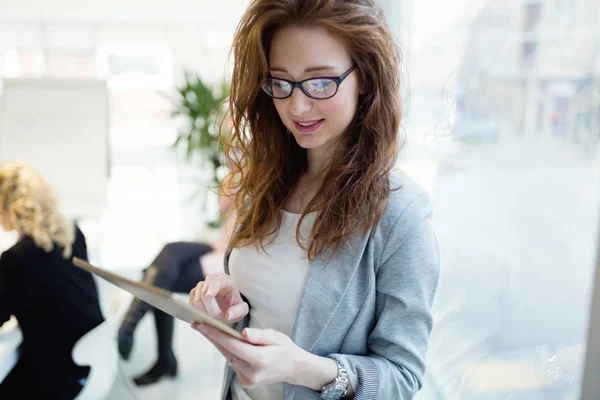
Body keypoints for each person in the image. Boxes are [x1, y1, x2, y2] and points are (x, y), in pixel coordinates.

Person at [188, 1, 440, 399]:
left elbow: (402, 378)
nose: (296, 106)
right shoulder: (266, 181)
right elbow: (266, 320)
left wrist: (305, 369)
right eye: (281, 83)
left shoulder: (400, 212)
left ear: (366, 78)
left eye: (320, 82)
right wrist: (229, 307)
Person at [117, 175, 237, 385]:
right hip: (216, 246)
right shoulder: (244, 173)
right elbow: (222, 206)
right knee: (164, 263)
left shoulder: (268, 182)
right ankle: (150, 345)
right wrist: (237, 176)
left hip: (229, 256)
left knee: (160, 276)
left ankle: (139, 333)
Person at [0, 161, 104, 399]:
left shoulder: (17, 258)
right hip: (92, 362)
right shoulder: (73, 234)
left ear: (8, 205)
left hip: (59, 378)